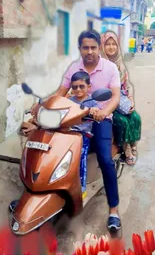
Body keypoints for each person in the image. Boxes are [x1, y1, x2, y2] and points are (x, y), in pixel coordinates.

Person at [10, 30, 121, 232]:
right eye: (85, 47)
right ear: (80, 49)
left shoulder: (110, 68)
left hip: (99, 117)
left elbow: (115, 96)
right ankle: (33, 194)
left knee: (105, 159)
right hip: (73, 117)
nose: (89, 51)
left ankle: (113, 209)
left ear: (99, 48)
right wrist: (42, 105)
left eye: (93, 47)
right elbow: (61, 94)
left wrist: (103, 112)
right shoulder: (74, 68)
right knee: (46, 145)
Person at [101, 31, 141, 166]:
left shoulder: (121, 65)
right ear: (102, 46)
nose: (111, 47)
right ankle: (126, 150)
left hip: (122, 101)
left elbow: (127, 86)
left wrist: (131, 101)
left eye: (114, 44)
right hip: (107, 103)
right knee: (122, 121)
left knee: (135, 117)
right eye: (108, 44)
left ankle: (133, 144)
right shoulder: (100, 65)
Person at [69, 71, 100, 199]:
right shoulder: (70, 100)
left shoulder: (92, 102)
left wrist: (94, 111)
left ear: (89, 87)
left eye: (81, 86)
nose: (78, 89)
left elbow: (98, 110)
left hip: (83, 135)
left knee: (80, 158)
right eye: (74, 87)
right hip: (68, 132)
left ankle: (81, 187)